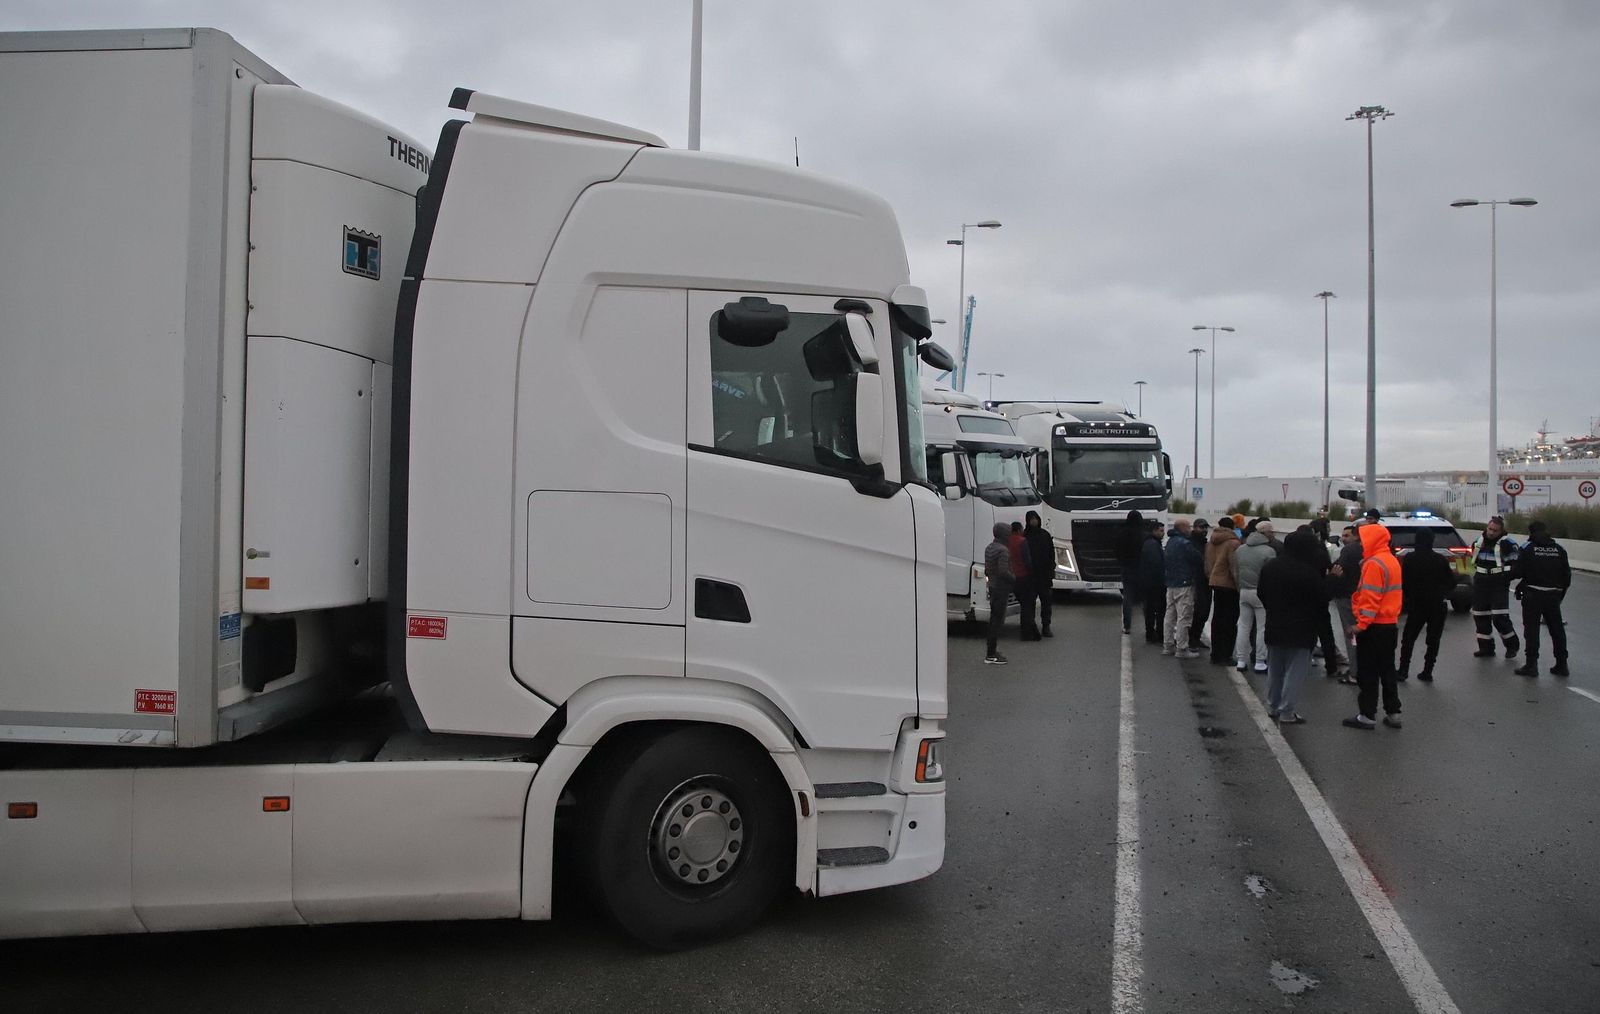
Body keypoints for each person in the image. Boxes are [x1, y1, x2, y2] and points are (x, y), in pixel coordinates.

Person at [1258, 528, 1331, 725]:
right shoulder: (1309, 572)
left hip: (1275, 623)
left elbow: (1262, 593)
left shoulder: (1271, 567)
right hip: (1302, 628)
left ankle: (1273, 705)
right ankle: (1287, 710)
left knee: (1275, 669)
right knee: (1295, 672)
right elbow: (1321, 599)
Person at [1342, 522, 1404, 731]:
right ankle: (1393, 712)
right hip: (1389, 624)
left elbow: (1370, 598)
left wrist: (1360, 625)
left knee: (1368, 673)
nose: (1361, 543)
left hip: (1373, 627)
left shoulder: (1373, 564)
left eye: (1362, 539)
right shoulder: (1391, 561)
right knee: (1387, 670)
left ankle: (1367, 715)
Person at [1512, 521, 1571, 677]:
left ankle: (1532, 665)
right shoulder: (1559, 549)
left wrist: (1512, 581)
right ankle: (1562, 664)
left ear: (1531, 532)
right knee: (1557, 630)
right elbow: (1567, 577)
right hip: (1553, 595)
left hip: (1533, 594)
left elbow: (1518, 571)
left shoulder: (1527, 548)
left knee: (1532, 630)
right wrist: (1559, 594)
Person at [1397, 527, 1452, 682]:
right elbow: (1450, 582)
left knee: (1408, 639)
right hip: (1437, 605)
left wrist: (1408, 597)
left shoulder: (1410, 559)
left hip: (1417, 604)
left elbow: (1404, 581)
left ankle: (1403, 670)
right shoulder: (1440, 560)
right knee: (1433, 640)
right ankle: (1427, 671)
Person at [1469, 516, 1521, 659]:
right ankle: (1486, 648)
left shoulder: (1508, 544)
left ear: (1501, 531)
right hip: (1480, 582)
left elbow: (1517, 566)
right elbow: (1470, 563)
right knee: (1480, 616)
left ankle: (1512, 646)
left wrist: (1506, 577)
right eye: (1490, 529)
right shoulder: (1478, 543)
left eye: (1495, 530)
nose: (1491, 533)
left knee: (1499, 617)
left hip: (1498, 583)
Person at [1231, 521, 1276, 672]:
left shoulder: (1241, 549)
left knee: (1243, 626)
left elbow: (1236, 572)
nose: (1273, 534)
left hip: (1243, 590)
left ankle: (1241, 660)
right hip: (1261, 592)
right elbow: (1271, 575)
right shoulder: (1269, 551)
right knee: (1262, 628)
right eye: (1271, 532)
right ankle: (1260, 661)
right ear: (1264, 533)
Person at [1162, 519, 1204, 658]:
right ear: (1182, 528)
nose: (1190, 529)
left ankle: (1168, 645)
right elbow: (1197, 558)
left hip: (1171, 582)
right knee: (1184, 616)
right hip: (1184, 583)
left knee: (1170, 615)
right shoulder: (1184, 543)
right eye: (1188, 527)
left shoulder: (1170, 542)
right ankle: (1182, 648)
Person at [1328, 525, 1362, 683]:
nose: (1343, 539)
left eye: (1347, 535)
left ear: (1356, 536)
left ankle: (1355, 672)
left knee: (1352, 635)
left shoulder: (1350, 551)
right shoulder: (1374, 550)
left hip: (1347, 597)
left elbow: (1337, 568)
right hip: (1365, 598)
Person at [1206, 518, 1241, 665]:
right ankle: (1226, 655)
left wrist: (1211, 577)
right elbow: (1234, 566)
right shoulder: (1233, 543)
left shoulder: (1211, 542)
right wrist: (1239, 586)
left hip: (1214, 582)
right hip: (1228, 584)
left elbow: (1207, 564)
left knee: (1217, 619)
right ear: (1232, 527)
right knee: (1230, 620)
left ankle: (1215, 653)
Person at [983, 521, 1014, 665]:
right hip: (1001, 588)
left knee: (993, 619)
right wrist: (1014, 578)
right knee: (997, 621)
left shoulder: (989, 547)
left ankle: (991, 651)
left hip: (992, 586)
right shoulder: (1003, 550)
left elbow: (988, 569)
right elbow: (1003, 571)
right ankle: (991, 654)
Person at [1023, 510, 1056, 639]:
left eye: (1035, 518)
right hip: (1030, 576)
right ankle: (1031, 627)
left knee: (1046, 602)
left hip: (1044, 575)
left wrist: (1051, 569)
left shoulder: (1045, 535)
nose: (1034, 521)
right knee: (1030, 603)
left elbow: (1051, 554)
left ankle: (1046, 626)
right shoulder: (1025, 536)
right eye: (1031, 519)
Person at [1114, 509, 1146, 635]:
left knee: (1128, 597)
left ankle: (1127, 626)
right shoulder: (1143, 534)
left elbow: (1117, 550)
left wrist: (1122, 562)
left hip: (1127, 568)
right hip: (1142, 569)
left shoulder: (1122, 534)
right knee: (1145, 598)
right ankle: (1149, 626)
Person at [1009, 521, 1038, 641]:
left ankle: (1027, 631)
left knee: (1023, 604)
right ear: (1018, 530)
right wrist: (1032, 574)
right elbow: (1027, 561)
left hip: (1012, 577)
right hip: (1023, 577)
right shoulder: (1022, 541)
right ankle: (1028, 632)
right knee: (1027, 606)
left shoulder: (1007, 541)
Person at [1139, 520, 1167, 643]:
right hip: (1154, 583)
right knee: (1156, 609)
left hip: (1149, 582)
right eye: (1161, 531)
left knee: (1151, 609)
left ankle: (1152, 633)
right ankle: (1154, 633)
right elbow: (1156, 564)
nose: (1163, 533)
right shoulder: (1152, 544)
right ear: (1154, 531)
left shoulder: (1150, 543)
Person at [1188, 518, 1213, 651]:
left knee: (1204, 611)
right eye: (1201, 527)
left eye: (1205, 528)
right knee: (1196, 611)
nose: (1204, 530)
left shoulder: (1206, 544)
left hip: (1206, 581)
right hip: (1195, 581)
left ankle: (1196, 638)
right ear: (1195, 527)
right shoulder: (1190, 543)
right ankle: (1191, 639)